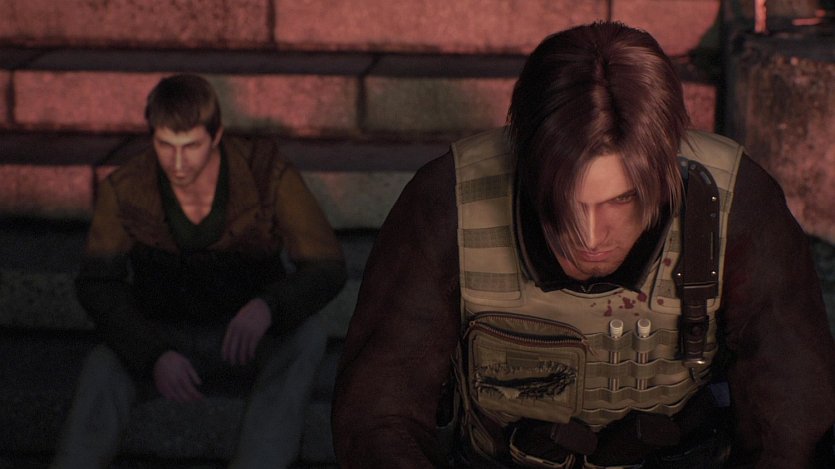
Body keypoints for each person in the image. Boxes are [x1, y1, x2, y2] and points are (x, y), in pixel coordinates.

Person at [332, 22, 835, 468]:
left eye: (622, 199)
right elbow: (379, 417)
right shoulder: (447, 201)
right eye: (565, 201)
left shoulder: (736, 201)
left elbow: (792, 419)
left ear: (663, 176)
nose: (591, 237)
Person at [52, 74, 346, 469]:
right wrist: (153, 354)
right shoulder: (125, 188)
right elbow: (98, 284)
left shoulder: (266, 174)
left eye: (190, 146)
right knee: (103, 363)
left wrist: (269, 306)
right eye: (165, 146)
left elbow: (327, 264)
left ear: (216, 135)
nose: (177, 163)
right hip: (163, 330)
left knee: (307, 336)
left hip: (246, 336)